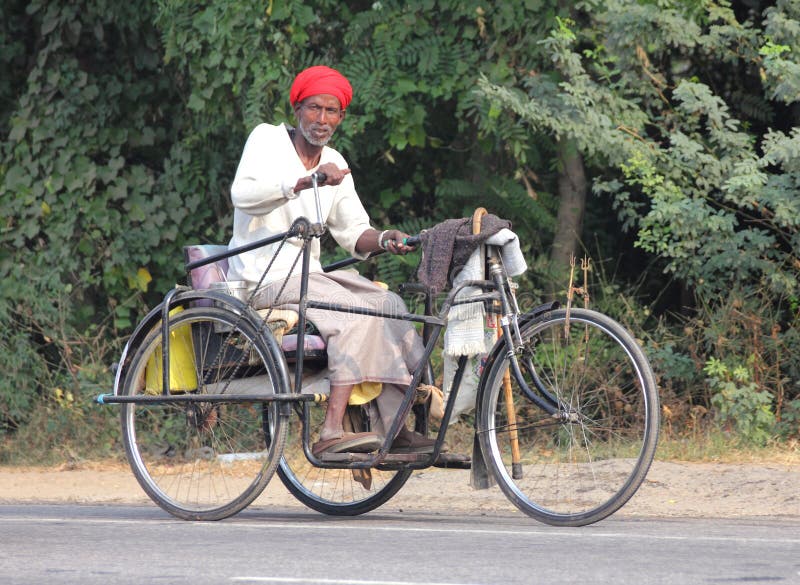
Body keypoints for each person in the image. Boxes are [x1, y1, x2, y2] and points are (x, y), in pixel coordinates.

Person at [227, 65, 436, 457]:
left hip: (310, 277)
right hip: (263, 276)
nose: (322, 120)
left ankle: (395, 426)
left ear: (341, 118)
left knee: (389, 304)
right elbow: (243, 195)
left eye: (331, 112)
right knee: (351, 311)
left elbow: (355, 232)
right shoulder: (267, 140)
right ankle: (330, 432)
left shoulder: (335, 162)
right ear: (297, 109)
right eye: (314, 109)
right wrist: (306, 182)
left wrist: (387, 239)